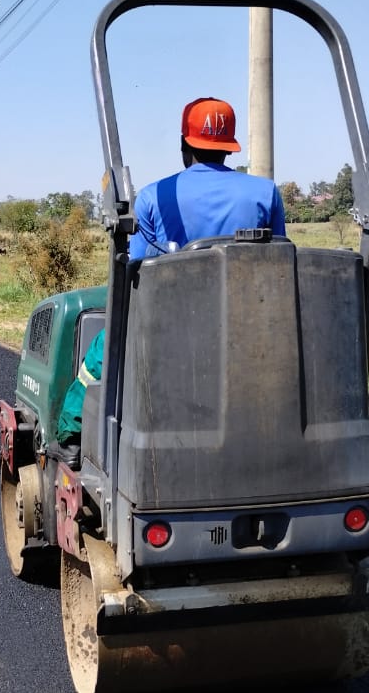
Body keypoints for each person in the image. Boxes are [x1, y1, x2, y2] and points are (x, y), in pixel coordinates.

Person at [54, 97, 286, 449]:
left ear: (184, 144)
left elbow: (136, 276)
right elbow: (279, 264)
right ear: (229, 149)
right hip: (246, 325)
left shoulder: (154, 197)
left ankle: (72, 434)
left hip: (171, 327)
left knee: (106, 345)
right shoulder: (265, 192)